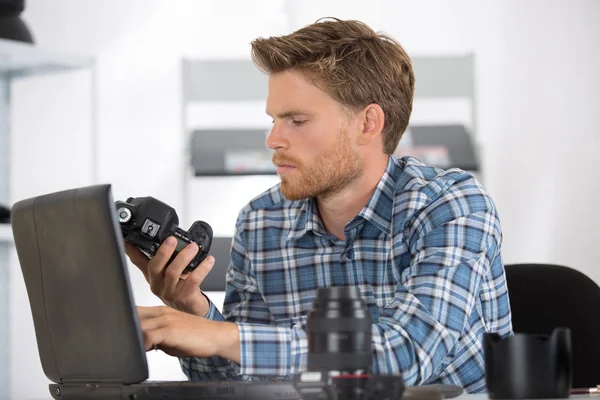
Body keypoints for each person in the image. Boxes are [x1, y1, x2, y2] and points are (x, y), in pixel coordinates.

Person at [127, 18, 513, 393]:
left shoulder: (452, 207)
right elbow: (240, 383)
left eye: (296, 120)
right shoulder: (261, 222)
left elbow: (404, 355)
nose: (273, 140)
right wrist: (192, 311)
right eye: (274, 120)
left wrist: (221, 335)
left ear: (367, 124)